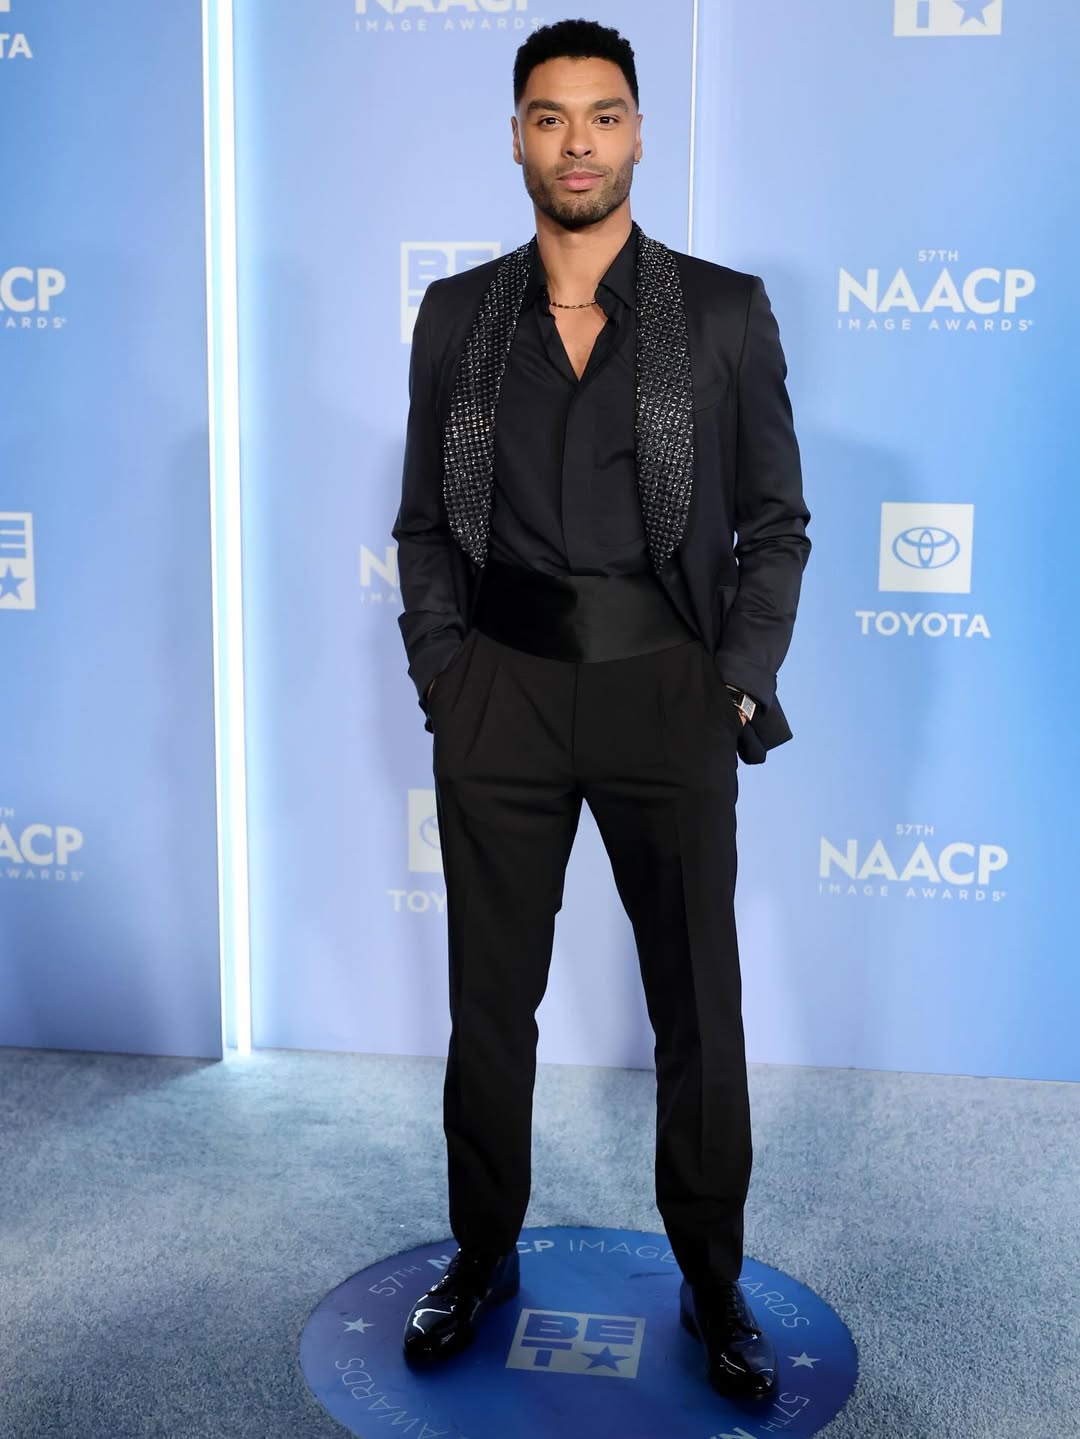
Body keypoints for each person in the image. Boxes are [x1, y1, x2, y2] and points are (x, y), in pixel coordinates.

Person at [390, 18, 810, 1402]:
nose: (578, 142)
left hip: (667, 689)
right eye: (551, 116)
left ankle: (712, 1280)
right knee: (488, 1005)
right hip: (499, 694)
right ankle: (481, 1252)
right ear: (517, 137)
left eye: (604, 115)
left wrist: (734, 679)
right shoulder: (458, 316)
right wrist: (445, 674)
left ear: (638, 134)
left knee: (698, 1005)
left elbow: (775, 523)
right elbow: (424, 526)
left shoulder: (724, 313)